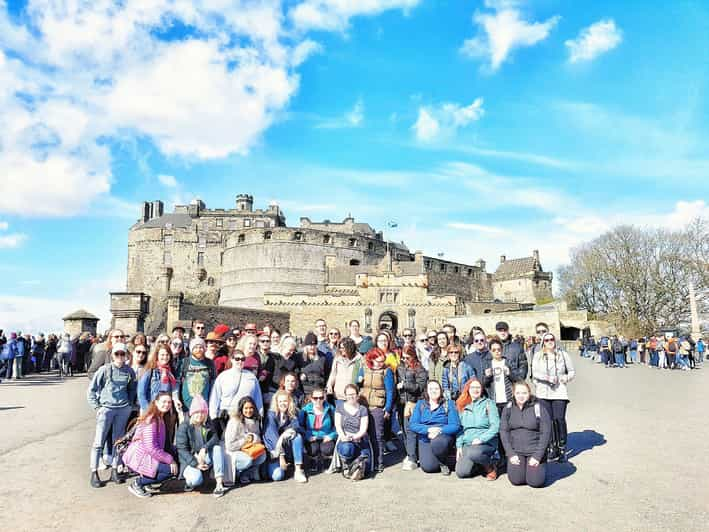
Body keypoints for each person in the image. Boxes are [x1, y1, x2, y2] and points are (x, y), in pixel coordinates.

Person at [87, 342, 137, 488]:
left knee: (118, 441)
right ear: (112, 355)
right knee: (98, 442)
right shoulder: (105, 370)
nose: (120, 357)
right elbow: (92, 390)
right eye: (117, 354)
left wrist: (129, 404)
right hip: (107, 408)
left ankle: (115, 469)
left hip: (122, 409)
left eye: (123, 354)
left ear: (127, 355)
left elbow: (132, 389)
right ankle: (94, 471)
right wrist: (97, 407)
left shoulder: (129, 371)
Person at [124, 392, 180, 498]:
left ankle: (147, 482)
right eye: (164, 402)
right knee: (170, 471)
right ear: (156, 403)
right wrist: (170, 459)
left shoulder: (161, 417)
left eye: (169, 402)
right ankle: (138, 483)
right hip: (142, 456)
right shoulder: (152, 420)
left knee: (176, 461)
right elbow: (151, 448)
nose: (167, 405)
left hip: (150, 454)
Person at [500, 381, 552, 488]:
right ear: (513, 393)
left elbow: (546, 433)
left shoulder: (539, 408)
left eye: (524, 393)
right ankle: (523, 468)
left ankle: (540, 466)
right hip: (516, 451)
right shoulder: (508, 408)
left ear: (529, 393)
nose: (521, 396)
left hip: (534, 451)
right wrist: (510, 453)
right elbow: (503, 431)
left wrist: (538, 456)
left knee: (535, 482)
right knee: (516, 480)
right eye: (518, 393)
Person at [532, 332, 575, 462]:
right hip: (543, 392)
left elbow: (572, 371)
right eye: (547, 340)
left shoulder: (563, 355)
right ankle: (551, 447)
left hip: (559, 391)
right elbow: (534, 373)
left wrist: (565, 378)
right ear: (543, 342)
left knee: (559, 419)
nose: (550, 342)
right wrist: (546, 378)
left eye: (552, 339)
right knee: (547, 421)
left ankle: (562, 448)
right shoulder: (538, 356)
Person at [175, 394, 226, 497]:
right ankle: (189, 481)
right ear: (192, 413)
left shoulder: (207, 424)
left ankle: (219, 483)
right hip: (190, 460)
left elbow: (215, 438)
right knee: (195, 480)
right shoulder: (184, 426)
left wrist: (204, 448)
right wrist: (196, 463)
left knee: (217, 448)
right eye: (197, 412)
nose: (200, 415)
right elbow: (182, 450)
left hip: (204, 456)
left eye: (203, 412)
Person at [408, 380, 461, 475]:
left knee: (438, 441)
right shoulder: (420, 404)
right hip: (426, 437)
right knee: (429, 467)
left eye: (436, 388)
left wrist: (439, 430)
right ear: (427, 391)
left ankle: (443, 462)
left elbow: (455, 425)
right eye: (431, 389)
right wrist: (428, 430)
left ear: (441, 390)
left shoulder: (449, 404)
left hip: (443, 436)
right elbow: (413, 424)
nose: (434, 391)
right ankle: (442, 461)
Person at [357, 348, 395, 473]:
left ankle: (379, 462)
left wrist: (388, 408)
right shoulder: (364, 368)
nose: (381, 363)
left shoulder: (386, 371)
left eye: (382, 361)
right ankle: (365, 459)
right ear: (371, 359)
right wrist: (359, 381)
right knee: (362, 434)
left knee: (377, 435)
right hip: (363, 405)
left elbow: (390, 391)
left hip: (377, 405)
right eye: (378, 361)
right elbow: (356, 384)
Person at [455, 377, 500, 480]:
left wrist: (481, 439)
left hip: (486, 443)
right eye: (472, 387)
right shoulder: (463, 406)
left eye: (478, 387)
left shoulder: (489, 403)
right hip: (468, 443)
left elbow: (496, 426)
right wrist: (459, 446)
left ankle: (490, 467)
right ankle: (479, 465)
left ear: (482, 389)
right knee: (462, 472)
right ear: (468, 389)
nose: (475, 390)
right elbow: (460, 429)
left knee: (474, 453)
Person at [137, 344, 181, 444]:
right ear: (157, 355)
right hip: (153, 409)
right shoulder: (150, 370)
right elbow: (141, 393)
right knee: (151, 438)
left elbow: (174, 387)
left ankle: (166, 457)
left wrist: (176, 399)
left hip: (167, 408)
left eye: (167, 355)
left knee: (167, 437)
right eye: (162, 355)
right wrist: (147, 410)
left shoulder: (171, 371)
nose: (165, 357)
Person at [210, 349, 264, 426]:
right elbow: (215, 397)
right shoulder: (223, 376)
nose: (240, 361)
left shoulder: (251, 377)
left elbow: (257, 397)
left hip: (246, 415)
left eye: (242, 359)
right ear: (232, 359)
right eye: (237, 359)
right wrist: (213, 416)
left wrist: (260, 414)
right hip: (226, 415)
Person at [263, 390, 308, 483]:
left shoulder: (292, 413)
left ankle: (298, 470)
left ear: (289, 402)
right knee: (277, 476)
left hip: (288, 447)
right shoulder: (270, 415)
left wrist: (285, 434)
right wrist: (281, 456)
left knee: (297, 436)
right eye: (280, 401)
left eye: (285, 401)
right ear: (276, 403)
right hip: (274, 451)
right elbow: (272, 437)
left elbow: (295, 427)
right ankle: (284, 467)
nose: (283, 403)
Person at [396, 345, 428, 471]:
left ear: (413, 356)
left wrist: (405, 385)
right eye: (403, 358)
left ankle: (413, 457)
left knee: (411, 430)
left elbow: (419, 387)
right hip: (401, 402)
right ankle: (410, 453)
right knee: (404, 430)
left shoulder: (419, 369)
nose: (405, 360)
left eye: (407, 357)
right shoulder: (400, 367)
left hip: (413, 402)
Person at [223, 396, 268, 485]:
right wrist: (245, 440)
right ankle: (236, 473)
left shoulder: (256, 420)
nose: (249, 410)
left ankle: (245, 474)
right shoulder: (234, 422)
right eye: (246, 408)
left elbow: (258, 437)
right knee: (247, 460)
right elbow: (229, 446)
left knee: (262, 455)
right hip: (234, 451)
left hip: (248, 449)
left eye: (251, 408)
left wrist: (253, 437)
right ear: (241, 409)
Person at [333, 384, 372, 479]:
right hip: (345, 439)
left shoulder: (363, 409)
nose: (351, 396)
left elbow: (363, 428)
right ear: (345, 395)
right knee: (347, 448)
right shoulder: (339, 407)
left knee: (366, 463)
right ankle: (347, 466)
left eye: (353, 394)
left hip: (360, 439)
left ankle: (357, 469)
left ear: (357, 395)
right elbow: (338, 425)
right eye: (349, 394)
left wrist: (356, 437)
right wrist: (343, 436)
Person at [299, 387, 337, 473]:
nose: (318, 400)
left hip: (326, 435)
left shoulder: (330, 409)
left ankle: (326, 462)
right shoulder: (305, 411)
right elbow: (300, 426)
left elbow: (337, 425)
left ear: (324, 398)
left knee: (327, 449)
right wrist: (307, 436)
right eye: (315, 398)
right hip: (311, 436)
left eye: (321, 398)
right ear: (311, 399)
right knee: (313, 449)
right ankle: (313, 463)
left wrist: (331, 436)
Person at [177, 338, 216, 414]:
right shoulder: (184, 362)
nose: (198, 350)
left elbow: (213, 384)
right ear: (191, 349)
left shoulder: (210, 363)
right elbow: (177, 383)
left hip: (203, 406)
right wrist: (176, 399)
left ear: (204, 349)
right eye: (195, 347)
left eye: (201, 347)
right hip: (186, 406)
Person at [326, 337, 363, 405]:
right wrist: (330, 386)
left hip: (352, 396)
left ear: (350, 347)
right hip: (339, 396)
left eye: (343, 348)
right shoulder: (337, 358)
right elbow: (333, 374)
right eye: (340, 347)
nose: (341, 350)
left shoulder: (359, 360)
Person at [484, 338, 513, 414]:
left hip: (507, 399)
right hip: (494, 400)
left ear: (502, 350)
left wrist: (509, 374)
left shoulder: (508, 362)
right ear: (490, 351)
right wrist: (487, 377)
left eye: (498, 349)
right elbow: (484, 384)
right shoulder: (487, 364)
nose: (497, 352)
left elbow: (516, 380)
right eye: (494, 350)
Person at [300, 332, 327, 398]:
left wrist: (305, 372)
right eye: (309, 345)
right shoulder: (299, 357)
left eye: (314, 345)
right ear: (306, 345)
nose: (312, 347)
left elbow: (322, 370)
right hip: (305, 391)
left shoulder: (322, 357)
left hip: (318, 391)